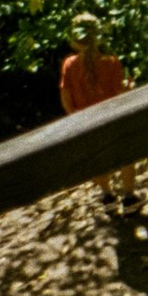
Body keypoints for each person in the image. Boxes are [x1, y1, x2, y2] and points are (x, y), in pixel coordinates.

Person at [59, 13, 137, 205]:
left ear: (75, 39)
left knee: (97, 160)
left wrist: (75, 120)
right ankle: (128, 197)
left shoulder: (69, 65)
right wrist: (129, 88)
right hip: (112, 119)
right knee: (125, 155)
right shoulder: (111, 62)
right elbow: (119, 95)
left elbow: (66, 98)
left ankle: (107, 195)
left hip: (86, 122)